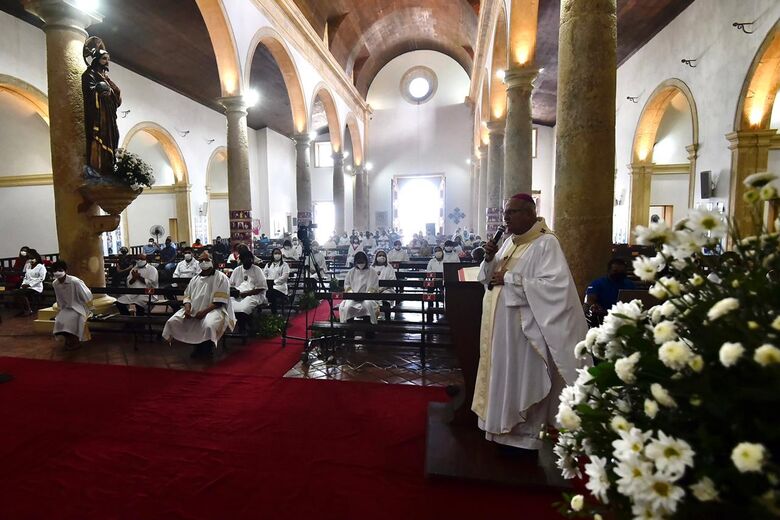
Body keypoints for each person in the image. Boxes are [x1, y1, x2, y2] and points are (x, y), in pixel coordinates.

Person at [475, 193, 588, 452]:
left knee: (521, 377)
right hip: (500, 330)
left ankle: (523, 435)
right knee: (503, 374)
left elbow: (555, 288)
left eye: (512, 212)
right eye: (506, 213)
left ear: (530, 214)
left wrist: (512, 280)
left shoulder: (546, 243)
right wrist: (489, 258)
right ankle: (498, 428)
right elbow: (490, 279)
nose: (506, 217)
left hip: (524, 332)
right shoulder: (509, 243)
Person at [163, 251, 235, 359]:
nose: (203, 262)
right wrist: (187, 308)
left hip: (214, 309)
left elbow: (219, 301)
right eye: (201, 260)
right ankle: (196, 346)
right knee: (174, 320)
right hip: (194, 309)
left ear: (212, 261)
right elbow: (187, 296)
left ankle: (207, 348)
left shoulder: (221, 277)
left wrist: (204, 312)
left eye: (206, 260)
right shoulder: (195, 279)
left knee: (208, 324)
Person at [82, 37, 121, 177]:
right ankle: (97, 166)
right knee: (101, 137)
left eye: (108, 59)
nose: (107, 61)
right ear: (97, 59)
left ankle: (110, 165)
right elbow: (89, 92)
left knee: (114, 135)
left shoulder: (105, 77)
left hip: (109, 113)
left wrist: (109, 89)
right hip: (99, 114)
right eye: (104, 58)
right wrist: (99, 89)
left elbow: (117, 93)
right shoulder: (89, 75)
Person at [50, 261, 93, 351]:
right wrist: (61, 309)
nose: (57, 273)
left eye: (60, 270)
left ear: (65, 270)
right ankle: (69, 339)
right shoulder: (55, 283)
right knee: (59, 321)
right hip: (66, 308)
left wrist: (88, 306)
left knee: (70, 320)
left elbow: (86, 295)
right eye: (55, 271)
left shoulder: (75, 281)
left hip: (79, 307)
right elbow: (59, 298)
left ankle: (75, 340)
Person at [230, 250, 268, 331]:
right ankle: (243, 323)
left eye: (250, 260)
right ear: (242, 260)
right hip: (239, 294)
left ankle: (244, 326)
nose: (249, 262)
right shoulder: (237, 270)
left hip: (254, 294)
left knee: (244, 306)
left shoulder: (257, 270)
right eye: (246, 260)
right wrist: (235, 291)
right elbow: (231, 285)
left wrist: (247, 293)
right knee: (230, 303)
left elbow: (261, 287)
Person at [339, 252, 379, 324]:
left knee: (368, 307)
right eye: (359, 262)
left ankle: (368, 331)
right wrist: (351, 293)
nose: (361, 264)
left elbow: (374, 286)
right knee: (348, 307)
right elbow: (347, 285)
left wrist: (367, 295)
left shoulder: (372, 272)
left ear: (366, 261)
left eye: (362, 262)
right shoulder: (351, 272)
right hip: (353, 297)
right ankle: (350, 330)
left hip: (368, 297)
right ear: (355, 262)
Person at [14, 249, 46, 316]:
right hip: (27, 287)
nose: (30, 260)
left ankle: (29, 310)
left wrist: (30, 284)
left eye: (32, 258)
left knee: (21, 293)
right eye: (29, 258)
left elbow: (41, 278)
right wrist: (23, 284)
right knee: (16, 292)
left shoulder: (41, 267)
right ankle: (24, 310)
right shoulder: (28, 266)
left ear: (36, 258)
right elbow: (26, 277)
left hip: (36, 287)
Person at [264, 247, 290, 314]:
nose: (277, 255)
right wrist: (267, 281)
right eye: (275, 253)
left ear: (281, 255)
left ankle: (274, 313)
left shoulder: (285, 265)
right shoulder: (268, 265)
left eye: (279, 253)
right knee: (269, 292)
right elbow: (264, 274)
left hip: (280, 287)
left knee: (271, 293)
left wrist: (274, 282)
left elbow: (284, 277)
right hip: (269, 286)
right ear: (272, 255)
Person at [372, 249, 396, 320]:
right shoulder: (371, 267)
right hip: (373, 289)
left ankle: (387, 317)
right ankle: (372, 318)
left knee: (386, 298)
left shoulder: (389, 267)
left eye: (383, 255)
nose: (382, 257)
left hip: (387, 289)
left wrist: (383, 288)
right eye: (379, 255)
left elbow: (392, 280)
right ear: (376, 257)